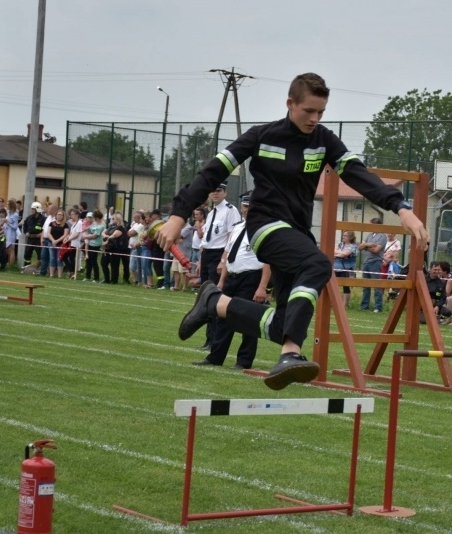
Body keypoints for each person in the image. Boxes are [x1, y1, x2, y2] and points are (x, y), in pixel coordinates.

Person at [157, 72, 428, 390]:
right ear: (290, 104)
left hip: (297, 232)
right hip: (265, 226)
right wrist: (178, 215)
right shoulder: (261, 136)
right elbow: (210, 173)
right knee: (317, 264)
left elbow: (358, 174)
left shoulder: (324, 140)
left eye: (321, 113)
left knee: (283, 323)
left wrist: (401, 208)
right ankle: (290, 354)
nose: (315, 119)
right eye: (308, 111)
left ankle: (216, 303)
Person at [192, 192, 271, 369]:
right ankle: (215, 357)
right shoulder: (237, 227)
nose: (247, 210)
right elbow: (228, 255)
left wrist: (262, 287)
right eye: (245, 206)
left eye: (250, 207)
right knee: (223, 318)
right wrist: (221, 281)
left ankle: (244, 361)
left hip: (251, 278)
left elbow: (267, 261)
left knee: (247, 320)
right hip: (232, 278)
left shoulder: (263, 230)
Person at [197, 183, 240, 348]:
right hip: (207, 254)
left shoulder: (230, 210)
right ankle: (209, 338)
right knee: (205, 297)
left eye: (218, 191)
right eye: (212, 191)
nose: (215, 194)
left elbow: (232, 236)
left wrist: (224, 260)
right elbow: (206, 239)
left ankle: (214, 339)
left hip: (218, 254)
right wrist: (201, 260)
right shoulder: (212, 212)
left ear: (225, 192)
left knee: (215, 297)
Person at [359, 218, 387, 313]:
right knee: (365, 286)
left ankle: (378, 307)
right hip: (366, 262)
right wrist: (368, 244)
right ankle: (364, 306)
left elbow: (376, 250)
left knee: (376, 285)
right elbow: (360, 246)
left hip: (375, 262)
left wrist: (365, 246)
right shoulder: (369, 235)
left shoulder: (382, 237)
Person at [333, 230, 358, 307]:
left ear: (350, 237)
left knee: (346, 286)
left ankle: (344, 305)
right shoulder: (340, 244)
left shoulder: (353, 246)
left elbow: (345, 254)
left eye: (345, 235)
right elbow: (333, 251)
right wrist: (340, 253)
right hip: (335, 268)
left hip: (347, 268)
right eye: (343, 235)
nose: (343, 237)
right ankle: (334, 303)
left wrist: (338, 253)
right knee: (333, 285)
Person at [101, 212, 127, 284]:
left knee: (114, 265)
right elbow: (103, 233)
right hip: (108, 248)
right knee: (103, 263)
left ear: (118, 219)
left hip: (115, 248)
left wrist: (107, 239)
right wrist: (106, 236)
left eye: (113, 218)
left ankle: (114, 280)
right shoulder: (110, 226)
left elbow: (114, 235)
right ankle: (106, 279)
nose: (111, 220)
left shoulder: (120, 228)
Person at [81, 210, 105, 282]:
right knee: (88, 260)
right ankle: (87, 276)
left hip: (95, 244)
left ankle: (96, 278)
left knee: (93, 261)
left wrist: (86, 237)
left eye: (94, 217)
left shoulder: (101, 225)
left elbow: (95, 236)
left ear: (97, 217)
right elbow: (89, 230)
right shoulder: (95, 223)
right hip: (90, 243)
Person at [22, 202, 46, 268]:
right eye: (31, 209)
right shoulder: (29, 218)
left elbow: (44, 229)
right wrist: (26, 232)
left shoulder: (43, 219)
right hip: (30, 239)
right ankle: (26, 267)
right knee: (27, 254)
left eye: (33, 209)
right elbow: (25, 226)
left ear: (37, 210)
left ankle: (39, 269)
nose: (32, 210)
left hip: (38, 240)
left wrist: (41, 235)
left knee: (40, 255)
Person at [47, 209, 69, 278]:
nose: (59, 216)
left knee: (59, 259)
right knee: (52, 258)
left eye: (61, 215)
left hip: (60, 244)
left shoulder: (65, 225)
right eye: (58, 214)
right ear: (56, 215)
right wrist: (53, 240)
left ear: (63, 216)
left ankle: (59, 275)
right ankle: (51, 274)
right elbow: (48, 233)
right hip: (51, 243)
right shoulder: (51, 223)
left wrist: (57, 241)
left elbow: (65, 235)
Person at [2, 199, 20, 267]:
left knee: (11, 250)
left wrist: (8, 223)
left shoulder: (15, 215)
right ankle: (8, 263)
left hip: (11, 234)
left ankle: (11, 265)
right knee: (7, 250)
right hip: (6, 232)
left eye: (8, 204)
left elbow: (15, 227)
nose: (7, 206)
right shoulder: (8, 213)